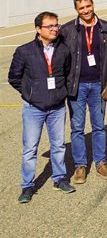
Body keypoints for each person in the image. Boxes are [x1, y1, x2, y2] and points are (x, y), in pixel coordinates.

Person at [9, 12, 75, 203]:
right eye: (50, 26)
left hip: (57, 107)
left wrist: (60, 92)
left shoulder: (63, 49)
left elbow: (67, 71)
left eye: (56, 25)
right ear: (38, 29)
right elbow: (14, 77)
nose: (55, 29)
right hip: (33, 108)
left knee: (59, 145)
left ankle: (60, 179)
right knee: (30, 148)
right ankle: (27, 186)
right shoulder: (24, 51)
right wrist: (30, 93)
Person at [60, 0, 107, 183]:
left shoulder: (106, 28)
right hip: (76, 86)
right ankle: (80, 166)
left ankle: (100, 163)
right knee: (77, 127)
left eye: (88, 6)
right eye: (81, 8)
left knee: (99, 126)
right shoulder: (67, 30)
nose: (86, 11)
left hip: (99, 85)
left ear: (93, 4)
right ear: (76, 10)